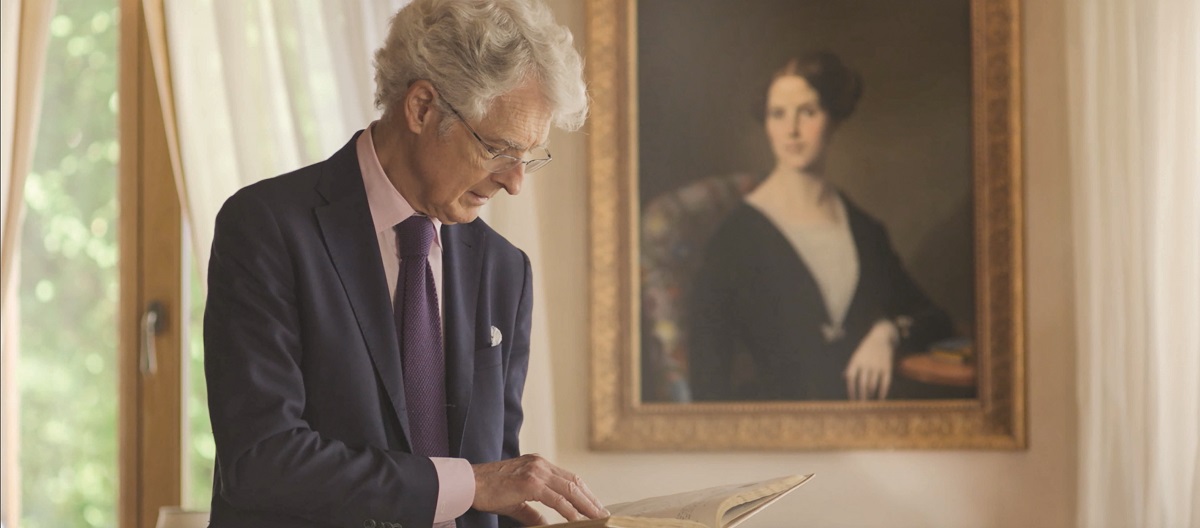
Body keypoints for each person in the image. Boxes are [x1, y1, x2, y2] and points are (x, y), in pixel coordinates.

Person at [203, 1, 608, 526]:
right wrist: (470, 483)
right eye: (499, 149)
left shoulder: (505, 270)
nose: (514, 182)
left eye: (529, 157)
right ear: (421, 108)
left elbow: (494, 486)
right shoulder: (267, 227)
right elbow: (262, 462)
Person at [687, 51, 954, 402]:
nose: (791, 130)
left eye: (807, 112)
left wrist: (886, 333)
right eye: (778, 114)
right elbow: (707, 380)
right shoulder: (736, 239)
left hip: (865, 422)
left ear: (834, 119)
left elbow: (936, 320)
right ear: (766, 124)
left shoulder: (864, 230)